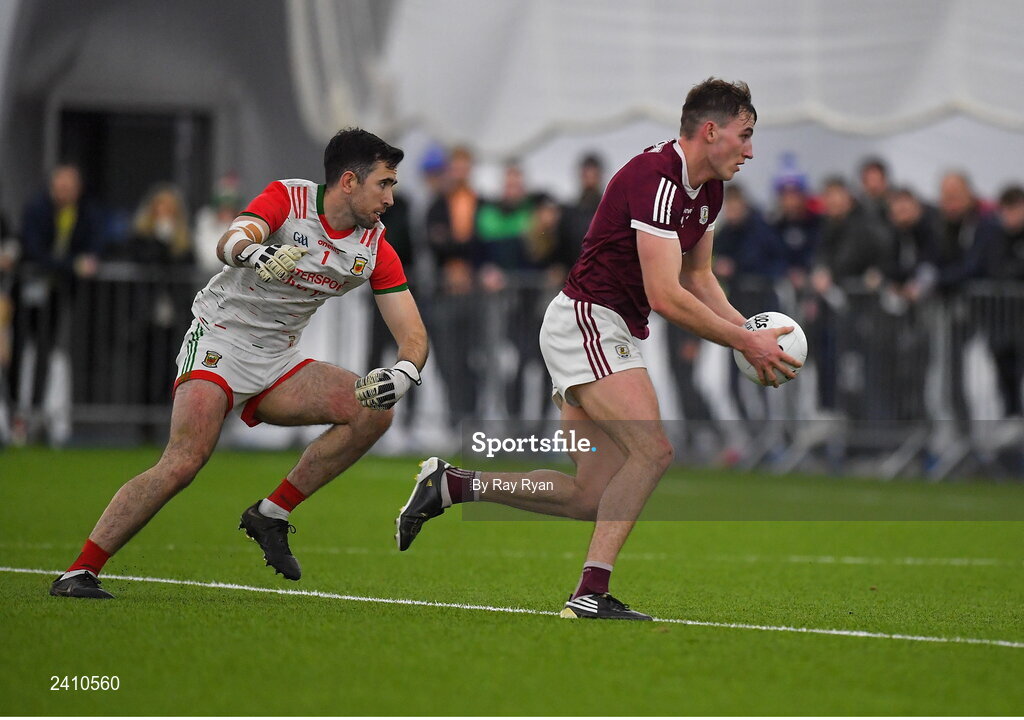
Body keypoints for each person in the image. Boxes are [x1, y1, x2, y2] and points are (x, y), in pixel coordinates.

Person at [395, 78, 798, 620]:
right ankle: (590, 594)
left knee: (590, 495)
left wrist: (747, 334)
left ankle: (452, 485)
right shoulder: (657, 177)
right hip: (588, 322)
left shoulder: (710, 190)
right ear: (710, 131)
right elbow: (665, 295)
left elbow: (699, 277)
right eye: (745, 135)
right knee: (653, 450)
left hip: (600, 328)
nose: (751, 150)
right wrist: (746, 341)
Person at [50, 128, 428, 599]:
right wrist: (257, 251)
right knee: (185, 461)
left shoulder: (374, 247)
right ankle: (79, 572)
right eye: (384, 184)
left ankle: (270, 514)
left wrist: (404, 373)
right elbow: (231, 240)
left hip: (278, 360)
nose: (391, 198)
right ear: (349, 182)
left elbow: (412, 334)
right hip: (220, 340)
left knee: (374, 410)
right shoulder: (287, 199)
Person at [10, 164, 100, 444]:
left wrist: (79, 263)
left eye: (71, 187)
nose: (66, 192)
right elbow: (34, 251)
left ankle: (36, 413)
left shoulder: (84, 213)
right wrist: (71, 266)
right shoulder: (36, 209)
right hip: (26, 290)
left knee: (47, 352)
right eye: (61, 186)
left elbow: (93, 247)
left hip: (58, 293)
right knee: (18, 349)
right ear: (52, 186)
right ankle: (15, 410)